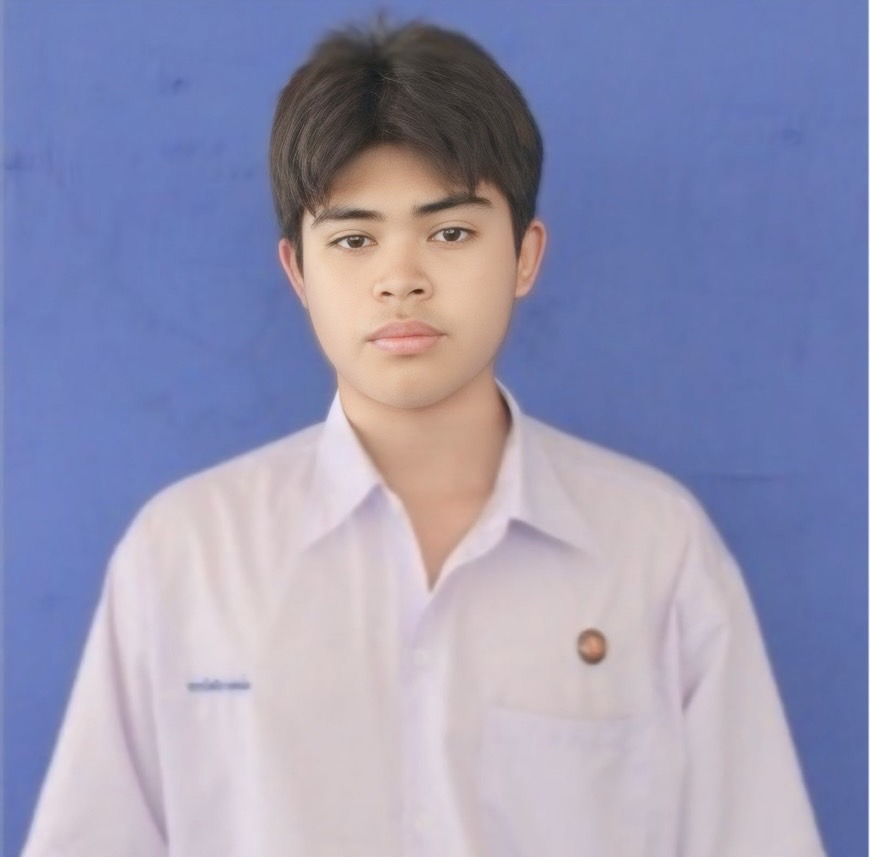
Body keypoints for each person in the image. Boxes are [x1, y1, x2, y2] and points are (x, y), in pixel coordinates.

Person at [23, 18, 827, 857]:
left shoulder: (654, 549)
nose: (400, 278)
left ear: (525, 254)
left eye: (450, 233)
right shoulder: (186, 555)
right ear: (298, 271)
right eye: (354, 238)